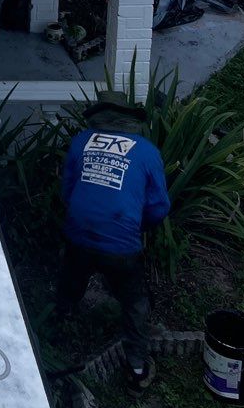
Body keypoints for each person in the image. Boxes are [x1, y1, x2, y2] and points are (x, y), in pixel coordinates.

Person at [56, 89, 170, 391]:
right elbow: (160, 206)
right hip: (121, 243)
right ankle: (137, 368)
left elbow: (68, 190)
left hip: (78, 232)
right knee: (134, 301)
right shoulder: (147, 152)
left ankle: (57, 326)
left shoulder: (81, 141)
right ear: (129, 120)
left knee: (72, 276)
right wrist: (137, 226)